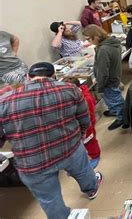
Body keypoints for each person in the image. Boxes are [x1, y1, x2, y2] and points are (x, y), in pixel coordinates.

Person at [0, 62, 103, 218]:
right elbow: (84, 119)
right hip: (70, 148)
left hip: (32, 161)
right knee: (83, 172)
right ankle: (91, 189)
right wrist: (79, 137)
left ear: (28, 77)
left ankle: (61, 216)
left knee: (49, 199)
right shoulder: (70, 90)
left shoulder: (5, 103)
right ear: (54, 75)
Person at [83, 25, 125, 131]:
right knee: (113, 97)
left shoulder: (103, 49)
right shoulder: (111, 44)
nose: (88, 42)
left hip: (108, 80)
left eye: (88, 39)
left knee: (114, 99)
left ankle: (122, 118)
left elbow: (103, 71)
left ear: (96, 36)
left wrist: (100, 85)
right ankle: (114, 111)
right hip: (113, 76)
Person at [63, 77, 101, 169]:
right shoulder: (75, 95)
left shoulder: (86, 99)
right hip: (79, 128)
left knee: (90, 143)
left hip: (86, 128)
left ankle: (94, 159)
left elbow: (90, 117)